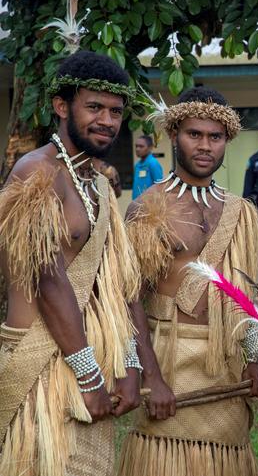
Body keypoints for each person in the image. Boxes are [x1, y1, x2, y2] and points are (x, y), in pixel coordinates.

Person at [118, 86, 258, 476]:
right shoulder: (147, 207)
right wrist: (149, 377)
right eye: (194, 135)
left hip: (224, 365)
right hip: (168, 360)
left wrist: (255, 360)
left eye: (215, 137)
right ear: (174, 136)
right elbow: (126, 300)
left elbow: (245, 295)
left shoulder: (241, 212)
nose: (205, 146)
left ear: (227, 141)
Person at [0, 50, 141, 475]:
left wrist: (129, 364)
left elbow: (114, 283)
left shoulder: (96, 184)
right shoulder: (36, 172)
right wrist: (89, 376)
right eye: (94, 107)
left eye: (115, 111)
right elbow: (48, 281)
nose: (107, 120)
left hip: (89, 357)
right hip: (40, 365)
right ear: (62, 107)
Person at [132, 134, 163, 199]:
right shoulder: (137, 165)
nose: (137, 149)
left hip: (149, 206)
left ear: (150, 148)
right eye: (136, 146)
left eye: (141, 146)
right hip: (137, 205)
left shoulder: (153, 163)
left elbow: (159, 187)